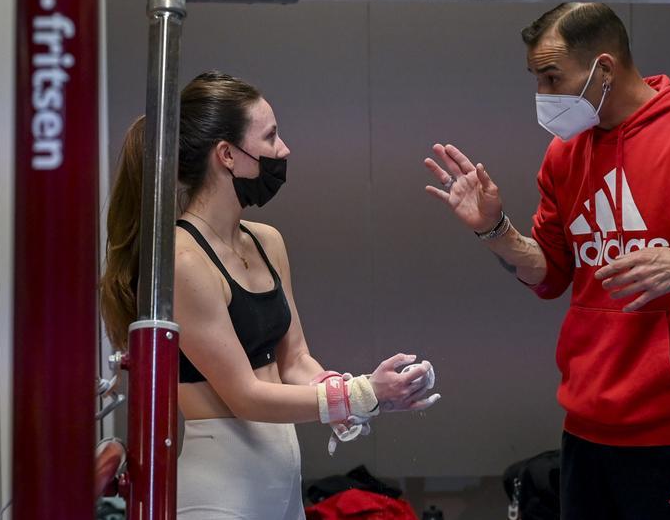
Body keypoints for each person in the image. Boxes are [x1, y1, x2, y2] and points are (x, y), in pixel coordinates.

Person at [423, 3, 670, 520]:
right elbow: (551, 274)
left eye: (553, 78)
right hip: (587, 424)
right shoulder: (565, 153)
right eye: (536, 80)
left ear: (603, 68)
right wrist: (494, 229)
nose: (543, 96)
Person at [102, 71, 439, 520]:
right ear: (227, 155)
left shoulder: (266, 241)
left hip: (282, 489)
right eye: (271, 136)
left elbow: (295, 360)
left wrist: (364, 398)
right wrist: (356, 394)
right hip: (219, 494)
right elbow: (245, 395)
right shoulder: (183, 262)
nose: (284, 151)